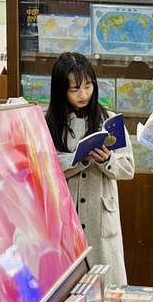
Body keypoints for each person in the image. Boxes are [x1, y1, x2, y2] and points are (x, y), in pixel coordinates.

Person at [46, 52, 134, 286]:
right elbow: (44, 166)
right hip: (65, 218)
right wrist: (78, 159)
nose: (83, 95)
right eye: (75, 89)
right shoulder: (50, 123)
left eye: (88, 86)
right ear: (61, 90)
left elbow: (128, 169)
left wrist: (107, 160)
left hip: (101, 217)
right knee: (67, 287)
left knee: (106, 285)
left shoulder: (109, 121)